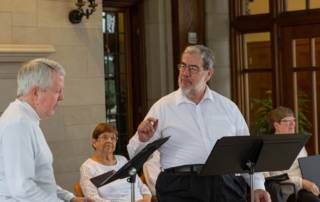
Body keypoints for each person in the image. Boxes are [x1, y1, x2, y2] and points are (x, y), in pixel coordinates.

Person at [127, 45, 271, 202]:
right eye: (182, 66)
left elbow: (247, 153)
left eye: (193, 68)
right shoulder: (162, 107)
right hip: (180, 187)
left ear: (209, 74)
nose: (184, 73)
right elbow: (134, 155)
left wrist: (258, 186)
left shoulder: (228, 107)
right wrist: (142, 139)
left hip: (225, 185)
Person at [0, 58, 92, 202]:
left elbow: (41, 180)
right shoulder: (19, 124)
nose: (62, 97)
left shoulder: (27, 119)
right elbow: (22, 189)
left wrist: (70, 198)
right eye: (57, 91)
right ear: (36, 93)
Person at [80, 123, 152, 202]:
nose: (109, 141)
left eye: (113, 138)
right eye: (105, 137)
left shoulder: (122, 160)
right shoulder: (88, 167)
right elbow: (92, 198)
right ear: (94, 141)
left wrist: (146, 198)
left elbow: (141, 186)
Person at [264, 106, 320, 202]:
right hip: (290, 191)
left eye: (293, 120)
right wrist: (302, 183)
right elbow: (276, 176)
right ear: (276, 125)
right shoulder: (270, 147)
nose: (292, 124)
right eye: (286, 121)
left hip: (307, 186)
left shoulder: (298, 142)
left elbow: (305, 167)